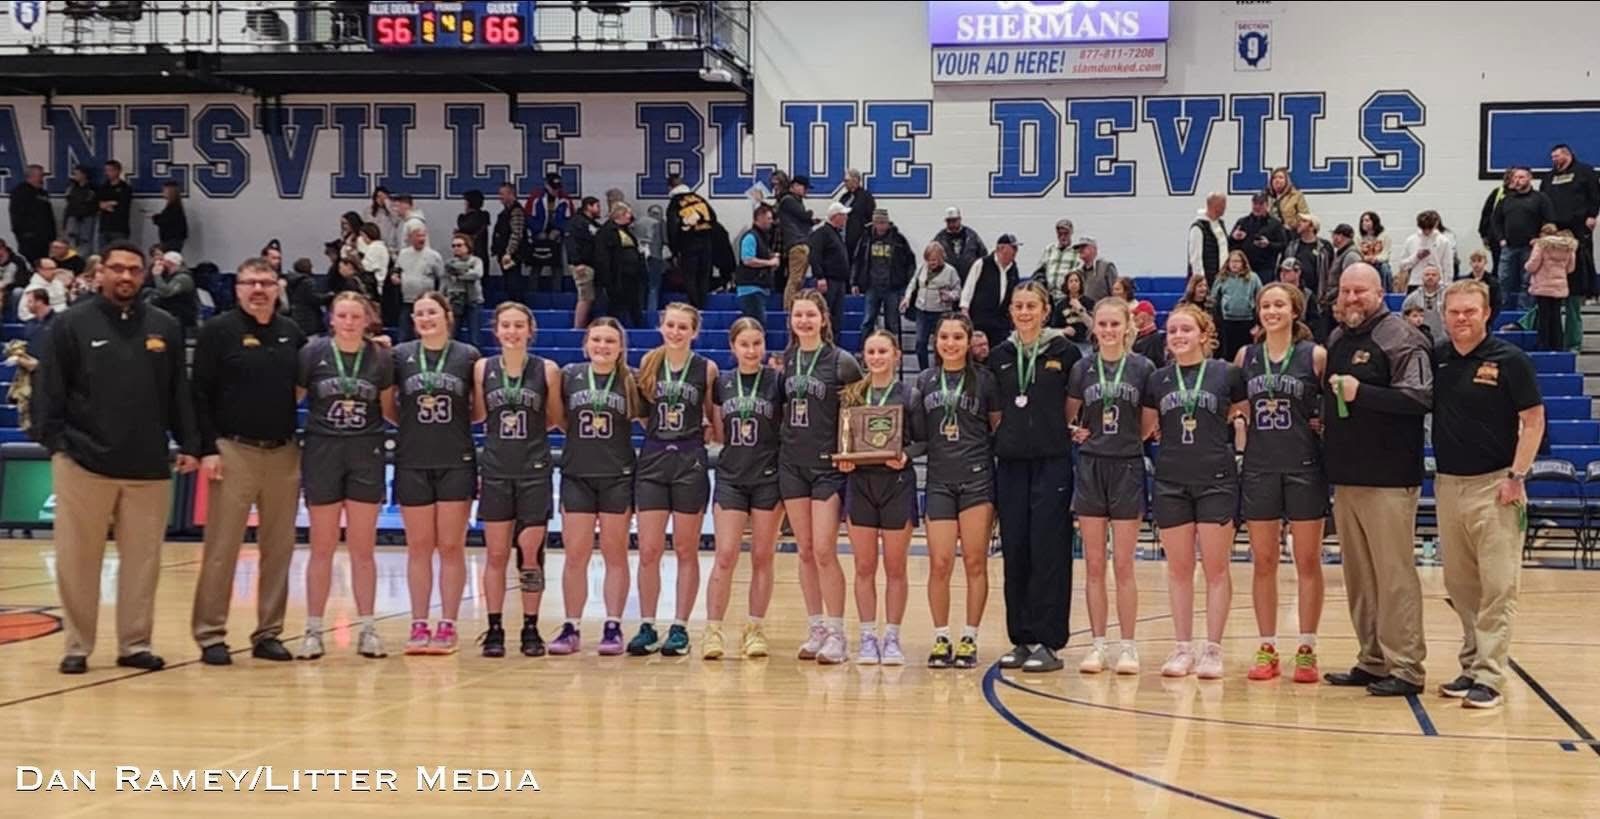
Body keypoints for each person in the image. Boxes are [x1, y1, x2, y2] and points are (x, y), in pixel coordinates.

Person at [38, 241, 200, 674]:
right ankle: (77, 646)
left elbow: (177, 393)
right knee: (77, 561)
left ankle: (135, 644)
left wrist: (189, 443)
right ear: (100, 273)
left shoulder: (165, 325)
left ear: (144, 275)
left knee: (143, 565)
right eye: (117, 268)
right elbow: (48, 390)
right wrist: (57, 445)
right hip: (83, 462)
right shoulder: (71, 323)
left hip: (147, 464)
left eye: (134, 269)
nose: (125, 276)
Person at [1431, 279, 1545, 710]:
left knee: (1497, 586)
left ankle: (1491, 676)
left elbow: (1533, 420)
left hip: (1496, 485)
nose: (1461, 318)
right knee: (1460, 586)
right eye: (1454, 311)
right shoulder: (1438, 358)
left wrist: (1517, 476)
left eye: (1470, 311)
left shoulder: (1510, 360)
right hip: (1448, 485)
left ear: (1486, 313)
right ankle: (1471, 665)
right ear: (1444, 315)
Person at [1322, 264, 1432, 696]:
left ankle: (1406, 667)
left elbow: (1421, 397)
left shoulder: (1401, 336)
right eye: (1346, 290)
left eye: (1360, 291)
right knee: (1360, 577)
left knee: (1393, 574)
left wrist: (1361, 393)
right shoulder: (1337, 338)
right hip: (1347, 477)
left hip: (1389, 478)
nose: (1352, 298)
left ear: (1380, 293)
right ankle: (1372, 659)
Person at [189, 258, 305, 666]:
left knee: (279, 549)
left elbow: (304, 385)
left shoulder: (291, 333)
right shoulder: (218, 331)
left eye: (266, 283)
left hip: (284, 452)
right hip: (233, 450)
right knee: (222, 548)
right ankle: (210, 634)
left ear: (278, 288)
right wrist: (207, 448)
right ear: (237, 288)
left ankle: (269, 633)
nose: (258, 289)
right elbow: (198, 393)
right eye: (250, 282)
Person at [1143, 304, 1247, 679]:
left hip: (1216, 479)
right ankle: (1183, 647)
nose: (1178, 336)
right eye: (1172, 330)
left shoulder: (1227, 374)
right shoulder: (1158, 379)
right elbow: (1144, 429)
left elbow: (1244, 416)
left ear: (1204, 335)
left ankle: (1213, 649)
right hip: (1171, 479)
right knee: (1179, 569)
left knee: (1216, 568)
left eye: (1186, 329)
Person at [1234, 283, 1328, 683]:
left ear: (1295, 311)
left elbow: (1329, 409)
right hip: (1259, 466)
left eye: (1279, 305)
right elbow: (1239, 407)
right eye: (1265, 305)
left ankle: (1306, 647)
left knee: (1307, 560)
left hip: (1304, 466)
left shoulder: (1315, 355)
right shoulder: (1246, 356)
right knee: (1264, 561)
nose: (1271, 311)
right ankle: (1267, 646)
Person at [295, 293, 393, 660]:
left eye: (356, 316)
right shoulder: (312, 353)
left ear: (367, 320)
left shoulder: (381, 357)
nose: (349, 322)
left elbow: (389, 410)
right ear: (332, 319)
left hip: (365, 453)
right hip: (322, 453)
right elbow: (292, 398)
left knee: (362, 549)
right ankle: (312, 630)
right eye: (343, 316)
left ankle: (368, 628)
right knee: (321, 546)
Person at [382, 293, 480, 656]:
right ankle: (419, 622)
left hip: (456, 459)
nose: (426, 318)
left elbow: (478, 410)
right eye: (419, 313)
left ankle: (448, 623)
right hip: (412, 459)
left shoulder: (467, 355)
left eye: (432, 312)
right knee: (419, 547)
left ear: (447, 316)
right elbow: (388, 407)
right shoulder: (399, 356)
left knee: (451, 546)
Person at [1066, 297, 1153, 675]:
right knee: (1094, 564)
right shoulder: (1082, 368)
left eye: (1115, 324)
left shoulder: (1143, 368)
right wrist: (1075, 431)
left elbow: (1148, 423)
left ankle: (1128, 646)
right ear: (1094, 328)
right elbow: (1069, 414)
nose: (1108, 330)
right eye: (1102, 324)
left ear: (1127, 327)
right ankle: (1098, 645)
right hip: (1090, 466)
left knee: (1124, 563)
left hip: (1127, 466)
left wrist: (1126, 442)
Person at [473, 303, 561, 657]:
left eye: (519, 325)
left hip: (533, 470)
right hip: (496, 469)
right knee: (495, 553)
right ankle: (494, 627)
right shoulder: (483, 368)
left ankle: (530, 626)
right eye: (506, 325)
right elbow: (479, 415)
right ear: (496, 330)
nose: (512, 332)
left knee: (530, 552)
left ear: (530, 330)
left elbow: (554, 418)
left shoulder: (546, 369)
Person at [629, 304, 717, 657]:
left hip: (689, 460)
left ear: (694, 331)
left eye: (683, 327)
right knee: (648, 549)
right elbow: (642, 415)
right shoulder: (648, 363)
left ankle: (680, 626)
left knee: (685, 548)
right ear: (661, 326)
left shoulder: (706, 368)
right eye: (671, 325)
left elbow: (712, 417)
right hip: (653, 458)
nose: (676, 332)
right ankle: (647, 624)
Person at [779, 290, 862, 663]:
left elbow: (859, 413)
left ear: (823, 319)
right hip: (792, 464)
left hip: (827, 466)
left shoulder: (842, 361)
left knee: (825, 550)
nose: (804, 321)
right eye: (798, 315)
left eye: (811, 314)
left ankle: (838, 632)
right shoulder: (787, 359)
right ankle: (816, 629)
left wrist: (850, 454)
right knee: (805, 550)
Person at [917, 312, 1000, 670]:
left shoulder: (984, 380)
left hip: (977, 480)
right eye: (944, 337)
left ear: (968, 342)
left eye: (957, 337)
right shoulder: (924, 380)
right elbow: (918, 435)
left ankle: (969, 636)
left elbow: (996, 427)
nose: (950, 343)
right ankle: (941, 637)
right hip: (939, 481)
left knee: (975, 561)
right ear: (936, 341)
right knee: (939, 563)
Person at [550, 319, 638, 656]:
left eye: (610, 341)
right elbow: (560, 419)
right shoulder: (569, 375)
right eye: (597, 339)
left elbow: (645, 420)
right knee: (576, 554)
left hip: (617, 475)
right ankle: (571, 625)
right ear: (586, 343)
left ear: (621, 347)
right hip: (577, 474)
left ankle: (613, 625)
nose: (603, 346)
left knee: (615, 553)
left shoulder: (630, 380)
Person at [833, 330, 918, 665]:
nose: (877, 357)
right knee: (864, 566)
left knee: (896, 567)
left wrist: (907, 455)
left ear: (896, 354)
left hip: (897, 483)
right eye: (871, 352)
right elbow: (843, 440)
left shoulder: (909, 394)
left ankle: (892, 637)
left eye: (883, 351)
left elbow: (923, 440)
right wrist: (845, 458)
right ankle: (868, 636)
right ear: (864, 356)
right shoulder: (852, 395)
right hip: (861, 484)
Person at [703, 317, 785, 660]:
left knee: (763, 556)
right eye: (744, 344)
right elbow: (719, 432)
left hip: (768, 477)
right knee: (725, 555)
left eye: (756, 344)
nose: (751, 351)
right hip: (732, 477)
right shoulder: (721, 383)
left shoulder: (777, 381)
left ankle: (755, 629)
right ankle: (713, 631)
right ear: (733, 347)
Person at [1540, 144, 1600, 299]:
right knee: (1557, 258)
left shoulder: (1585, 171)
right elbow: (1543, 198)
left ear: (1567, 154)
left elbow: (1595, 194)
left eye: (1556, 156)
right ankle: (1561, 292)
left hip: (1579, 223)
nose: (1554, 159)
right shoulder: (1549, 176)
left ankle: (1587, 293)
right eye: (1552, 157)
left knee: (1582, 257)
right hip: (1556, 224)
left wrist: (1592, 215)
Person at [1492, 166, 1555, 310]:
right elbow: (1496, 221)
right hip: (1508, 247)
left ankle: (1524, 314)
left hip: (1531, 248)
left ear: (1529, 178)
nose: (1517, 180)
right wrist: (1501, 238)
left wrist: (1539, 238)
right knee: (1503, 280)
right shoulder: (1506, 199)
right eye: (1515, 177)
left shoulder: (1540, 198)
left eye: (1521, 177)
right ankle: (1501, 312)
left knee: (1527, 282)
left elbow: (1550, 221)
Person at [851, 208, 915, 342]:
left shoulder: (898, 239)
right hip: (872, 286)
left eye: (883, 223)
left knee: (892, 323)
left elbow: (909, 262)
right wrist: (854, 282)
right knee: (868, 320)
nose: (880, 226)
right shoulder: (866, 238)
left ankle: (892, 349)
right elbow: (857, 260)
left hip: (892, 287)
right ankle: (864, 349)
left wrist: (907, 286)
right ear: (873, 223)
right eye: (878, 223)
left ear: (888, 223)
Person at [901, 242, 961, 370]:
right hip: (922, 311)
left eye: (934, 260)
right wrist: (907, 298)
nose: (931, 262)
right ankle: (924, 371)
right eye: (928, 260)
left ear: (941, 258)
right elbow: (913, 284)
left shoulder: (950, 271)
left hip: (941, 313)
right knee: (920, 343)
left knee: (941, 343)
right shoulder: (921, 268)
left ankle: (941, 369)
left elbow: (958, 292)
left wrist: (949, 296)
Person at [666, 182, 724, 309]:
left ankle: (694, 306)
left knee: (689, 277)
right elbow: (713, 219)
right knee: (704, 276)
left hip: (688, 244)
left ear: (670, 188)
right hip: (706, 243)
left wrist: (674, 250)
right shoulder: (700, 199)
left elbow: (672, 228)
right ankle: (702, 305)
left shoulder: (675, 203)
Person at [960, 233, 1021, 348]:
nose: (1015, 251)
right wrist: (965, 312)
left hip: (1001, 322)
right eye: (1013, 248)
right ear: (1000, 248)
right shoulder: (982, 263)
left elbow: (1015, 294)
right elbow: (968, 288)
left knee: (999, 350)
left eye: (1016, 248)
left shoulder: (1013, 268)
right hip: (980, 320)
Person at [1282, 214, 1335, 339]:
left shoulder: (1324, 247)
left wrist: (1326, 293)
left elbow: (1330, 271)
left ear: (1312, 226)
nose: (1299, 223)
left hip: (1317, 293)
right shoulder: (1292, 245)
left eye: (1303, 221)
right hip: (1298, 291)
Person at [593, 203, 645, 328]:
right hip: (617, 275)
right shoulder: (606, 232)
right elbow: (602, 257)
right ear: (620, 214)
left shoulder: (626, 231)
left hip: (632, 275)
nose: (630, 216)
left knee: (634, 303)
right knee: (615, 305)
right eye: (628, 213)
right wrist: (607, 278)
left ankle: (638, 326)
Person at [1526, 225, 1576, 352]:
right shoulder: (1567, 246)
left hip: (1543, 286)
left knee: (1544, 317)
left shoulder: (1541, 245)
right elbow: (1570, 268)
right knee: (1556, 317)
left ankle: (1543, 346)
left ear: (1542, 233)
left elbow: (1533, 265)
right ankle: (1558, 345)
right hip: (1559, 287)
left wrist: (1527, 266)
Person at [808, 201, 852, 332]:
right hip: (828, 281)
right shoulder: (822, 233)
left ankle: (834, 341)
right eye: (843, 215)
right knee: (825, 314)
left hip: (839, 281)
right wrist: (820, 277)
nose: (846, 218)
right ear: (835, 216)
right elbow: (815, 255)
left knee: (837, 317)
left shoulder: (836, 234)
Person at [396, 225, 444, 340]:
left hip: (425, 301)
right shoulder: (403, 254)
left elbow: (441, 277)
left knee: (423, 333)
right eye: (418, 236)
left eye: (423, 236)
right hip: (407, 300)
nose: (421, 239)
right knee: (404, 333)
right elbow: (397, 269)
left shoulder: (434, 256)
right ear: (410, 238)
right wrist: (395, 276)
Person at [733, 204, 780, 322]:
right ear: (760, 218)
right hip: (751, 289)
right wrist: (770, 262)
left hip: (759, 288)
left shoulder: (762, 238)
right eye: (769, 218)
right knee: (756, 323)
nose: (771, 221)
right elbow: (748, 260)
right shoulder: (751, 237)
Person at [1214, 250, 1262, 361]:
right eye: (1232, 261)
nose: (1234, 264)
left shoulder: (1253, 278)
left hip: (1247, 320)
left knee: (1246, 353)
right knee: (1229, 354)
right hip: (1227, 321)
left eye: (1237, 261)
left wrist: (1258, 323)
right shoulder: (1222, 278)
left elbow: (1260, 297)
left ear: (1243, 263)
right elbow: (1214, 298)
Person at [776, 174, 814, 309]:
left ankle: (792, 307)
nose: (806, 191)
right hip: (796, 244)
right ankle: (788, 308)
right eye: (805, 188)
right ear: (795, 186)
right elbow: (804, 215)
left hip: (799, 243)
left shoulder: (792, 201)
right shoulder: (789, 200)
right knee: (795, 280)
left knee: (798, 280)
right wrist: (810, 215)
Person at [1230, 193, 1287, 282]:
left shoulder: (1275, 224)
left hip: (1265, 270)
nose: (1257, 207)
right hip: (1244, 269)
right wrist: (1234, 238)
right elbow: (1230, 244)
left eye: (1261, 204)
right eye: (1255, 203)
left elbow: (1283, 245)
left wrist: (1268, 244)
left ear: (1267, 205)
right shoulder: (1243, 222)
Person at [566, 196, 602, 329]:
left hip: (592, 265)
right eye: (597, 206)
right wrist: (577, 262)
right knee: (585, 297)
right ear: (589, 206)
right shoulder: (577, 222)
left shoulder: (592, 224)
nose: (599, 210)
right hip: (582, 265)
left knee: (590, 298)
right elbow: (571, 243)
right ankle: (577, 328)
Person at [1397, 209, 1456, 290]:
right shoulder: (1411, 240)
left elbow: (1448, 267)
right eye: (1424, 228)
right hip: (1416, 283)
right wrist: (1416, 257)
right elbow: (1402, 266)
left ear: (1436, 224)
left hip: (1437, 284)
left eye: (1430, 228)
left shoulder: (1444, 241)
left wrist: (1447, 285)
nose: (1427, 231)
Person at [491, 183, 528, 305]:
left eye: (502, 194)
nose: (500, 197)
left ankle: (517, 306)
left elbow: (517, 233)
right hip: (504, 253)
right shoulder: (505, 212)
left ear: (511, 194)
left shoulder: (516, 211)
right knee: (509, 284)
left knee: (513, 284)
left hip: (512, 256)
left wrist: (509, 253)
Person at [9, 163, 54, 262]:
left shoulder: (43, 193)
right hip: (28, 238)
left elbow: (49, 216)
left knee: (43, 263)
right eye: (40, 176)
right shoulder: (20, 192)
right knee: (29, 263)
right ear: (31, 176)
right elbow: (16, 215)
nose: (42, 179)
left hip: (44, 238)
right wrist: (24, 233)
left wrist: (52, 236)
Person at [933, 207, 986, 283]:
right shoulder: (939, 239)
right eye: (949, 221)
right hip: (947, 282)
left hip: (970, 280)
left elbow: (983, 256)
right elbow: (931, 259)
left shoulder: (972, 236)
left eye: (954, 221)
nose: (952, 224)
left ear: (960, 219)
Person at [1033, 218, 1081, 301]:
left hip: (1066, 297)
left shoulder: (1076, 252)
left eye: (1066, 233)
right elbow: (1039, 270)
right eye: (1060, 234)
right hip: (1049, 295)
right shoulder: (1050, 249)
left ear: (1071, 233)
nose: (1063, 237)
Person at [1188, 192, 1229, 283]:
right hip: (1207, 279)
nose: (1225, 207)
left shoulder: (1220, 224)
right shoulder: (1198, 228)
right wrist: (1201, 281)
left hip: (1220, 278)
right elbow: (1195, 259)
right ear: (1215, 206)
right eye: (1223, 204)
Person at [281, 257, 324, 338]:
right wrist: (330, 296)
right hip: (309, 318)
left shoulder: (290, 281)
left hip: (296, 316)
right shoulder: (307, 282)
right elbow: (315, 299)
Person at [1401, 265, 1446, 340]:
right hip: (1419, 339)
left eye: (1434, 275)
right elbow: (1403, 319)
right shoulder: (1412, 298)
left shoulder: (1447, 296)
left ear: (1440, 278)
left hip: (1443, 338)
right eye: (1427, 275)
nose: (1430, 277)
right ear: (1422, 277)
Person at [62, 165, 98, 255]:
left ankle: (82, 260)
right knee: (70, 239)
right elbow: (69, 203)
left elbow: (91, 203)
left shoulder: (92, 189)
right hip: (72, 216)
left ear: (84, 175)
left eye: (77, 174)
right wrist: (65, 222)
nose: (75, 176)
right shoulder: (71, 187)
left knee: (85, 240)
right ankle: (71, 258)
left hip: (87, 218)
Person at [95, 160, 133, 243]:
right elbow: (96, 203)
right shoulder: (103, 187)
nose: (107, 173)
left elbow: (123, 205)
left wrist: (106, 205)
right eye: (106, 170)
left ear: (118, 171)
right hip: (104, 227)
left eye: (110, 170)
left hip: (119, 228)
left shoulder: (125, 188)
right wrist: (109, 204)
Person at [840, 169, 876, 255]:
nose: (845, 183)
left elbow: (870, 217)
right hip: (842, 238)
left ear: (855, 180)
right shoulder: (844, 197)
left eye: (847, 181)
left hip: (858, 239)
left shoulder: (866, 197)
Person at [1264, 167, 1308, 234]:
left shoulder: (1296, 196)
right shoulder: (1266, 196)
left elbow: (1305, 216)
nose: (1277, 180)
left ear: (1287, 181)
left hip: (1291, 233)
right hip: (1271, 234)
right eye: (1274, 178)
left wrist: (1291, 225)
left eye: (1281, 177)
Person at [457, 190, 491, 273]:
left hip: (472, 257)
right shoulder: (484, 217)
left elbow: (464, 227)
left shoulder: (470, 219)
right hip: (482, 257)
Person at [1074, 236, 1118, 301]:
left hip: (1103, 306)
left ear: (1094, 249)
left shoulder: (1106, 267)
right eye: (1079, 248)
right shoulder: (1078, 271)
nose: (1080, 250)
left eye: (1083, 247)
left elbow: (1116, 292)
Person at [1359, 211, 1392, 290]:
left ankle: (1384, 291)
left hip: (1379, 264)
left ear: (1374, 222)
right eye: (1362, 221)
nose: (1364, 223)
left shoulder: (1384, 236)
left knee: (1385, 267)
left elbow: (1386, 254)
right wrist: (1365, 258)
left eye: (1367, 221)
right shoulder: (1358, 237)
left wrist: (1375, 259)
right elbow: (1357, 253)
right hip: (1364, 264)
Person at [152, 180, 187, 254]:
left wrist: (155, 218)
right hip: (173, 240)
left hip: (171, 240)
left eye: (164, 191)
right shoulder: (175, 206)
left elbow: (165, 221)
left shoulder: (173, 208)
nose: (163, 193)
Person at [1131, 299, 1166, 365]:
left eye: (1136, 314)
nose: (1133, 318)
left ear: (1144, 316)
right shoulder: (1140, 336)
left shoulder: (1155, 339)